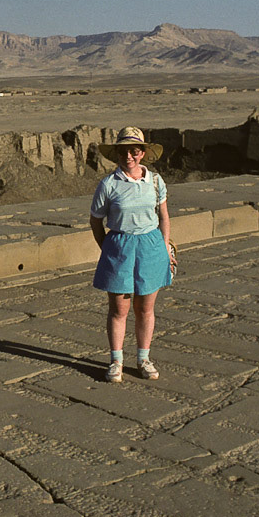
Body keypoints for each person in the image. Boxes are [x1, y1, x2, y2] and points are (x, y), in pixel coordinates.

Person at [90, 127, 175, 382]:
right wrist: (108, 248)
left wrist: (165, 247)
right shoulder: (108, 184)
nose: (129, 156)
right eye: (124, 150)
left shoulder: (156, 181)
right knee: (119, 309)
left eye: (134, 150)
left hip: (151, 247)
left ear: (142, 153)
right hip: (119, 246)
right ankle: (116, 361)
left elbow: (164, 217)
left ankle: (143, 359)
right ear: (116, 153)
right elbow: (96, 221)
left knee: (145, 308)